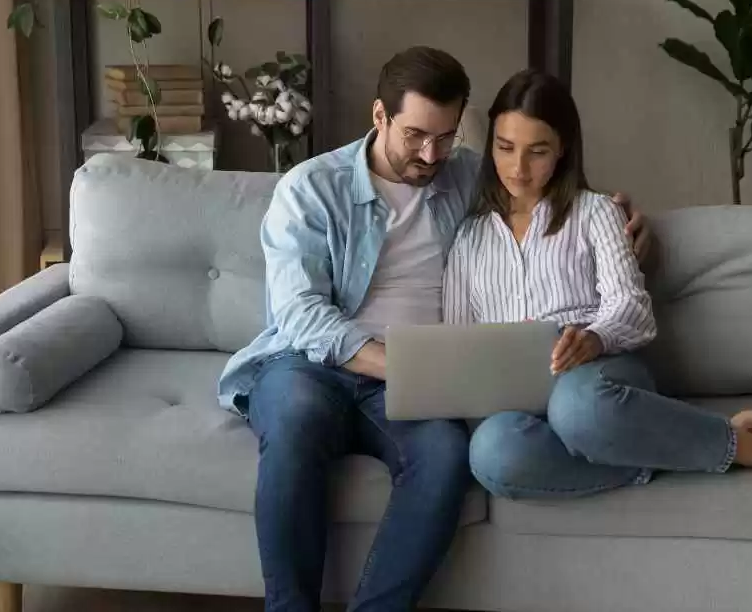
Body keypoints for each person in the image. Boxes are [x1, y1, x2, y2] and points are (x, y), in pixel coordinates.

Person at [217, 47, 651, 612]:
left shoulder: (465, 173)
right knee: (296, 422)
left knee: (446, 456)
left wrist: (632, 224)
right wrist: (393, 363)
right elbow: (300, 315)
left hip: (423, 378)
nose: (430, 154)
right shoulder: (310, 188)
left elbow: (548, 186)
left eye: (446, 137)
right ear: (379, 116)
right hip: (313, 365)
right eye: (416, 135)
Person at [446, 68, 752, 501]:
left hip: (597, 381)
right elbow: (456, 342)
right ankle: (690, 448)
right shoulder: (469, 239)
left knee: (577, 408)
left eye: (538, 151)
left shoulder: (596, 213)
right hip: (517, 401)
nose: (518, 168)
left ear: (563, 150)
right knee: (492, 453)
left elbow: (632, 307)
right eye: (505, 147)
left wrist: (594, 338)